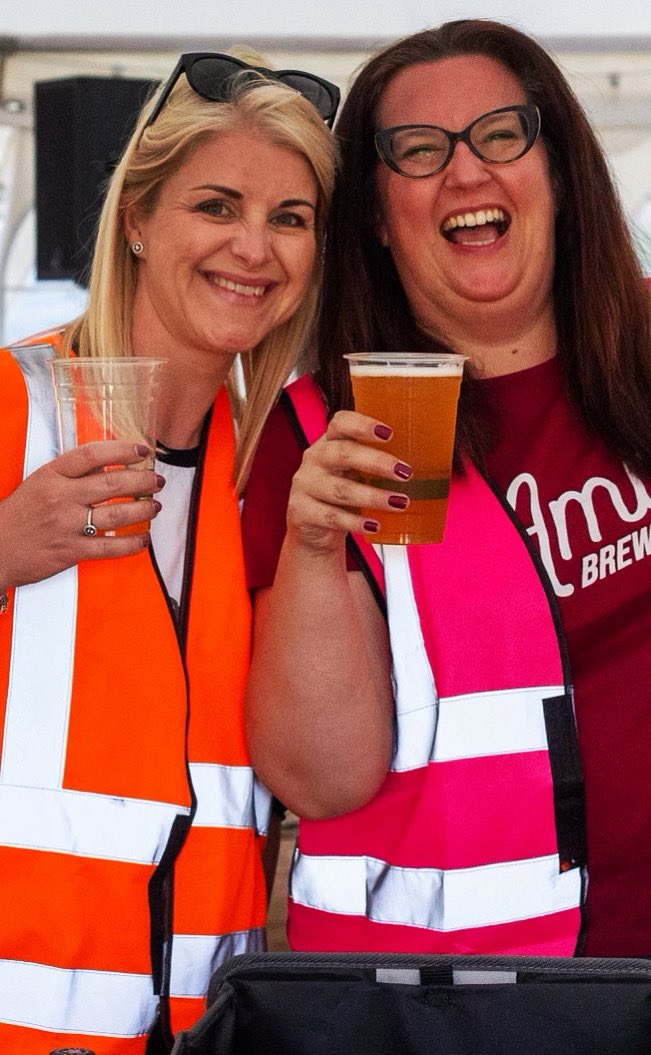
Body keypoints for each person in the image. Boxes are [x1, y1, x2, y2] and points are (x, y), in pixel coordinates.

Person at [241, 17, 651, 1055]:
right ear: (374, 212)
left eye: (499, 133)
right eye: (418, 150)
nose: (464, 170)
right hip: (463, 994)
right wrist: (316, 546)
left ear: (556, 166)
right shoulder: (320, 435)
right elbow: (317, 780)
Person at [0, 49, 337, 1054]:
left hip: (199, 1028)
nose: (254, 246)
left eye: (290, 217)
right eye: (216, 205)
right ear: (137, 219)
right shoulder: (16, 404)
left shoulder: (272, 472)